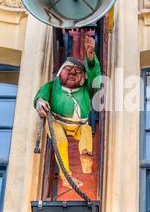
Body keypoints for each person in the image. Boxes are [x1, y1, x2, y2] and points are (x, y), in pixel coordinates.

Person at [33, 35, 101, 188]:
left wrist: (90, 58)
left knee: (86, 130)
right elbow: (40, 96)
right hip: (56, 121)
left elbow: (95, 77)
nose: (72, 72)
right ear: (59, 73)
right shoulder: (52, 85)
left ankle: (86, 157)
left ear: (82, 78)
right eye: (68, 69)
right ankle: (66, 177)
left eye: (77, 71)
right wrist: (40, 102)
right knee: (61, 141)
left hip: (78, 125)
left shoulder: (86, 89)